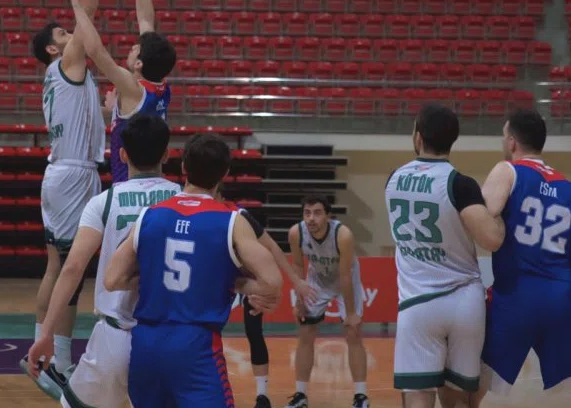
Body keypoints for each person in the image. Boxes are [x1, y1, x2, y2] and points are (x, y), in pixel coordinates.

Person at [104, 133, 285, 408]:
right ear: (224, 174)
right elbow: (272, 282)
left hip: (146, 345)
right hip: (195, 345)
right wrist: (229, 282)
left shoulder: (149, 215)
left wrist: (154, 276)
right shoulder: (231, 221)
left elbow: (112, 279)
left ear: (183, 167)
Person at [25, 114, 181, 407]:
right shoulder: (184, 199)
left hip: (117, 338)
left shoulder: (104, 202)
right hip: (172, 336)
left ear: (122, 155)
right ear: (166, 154)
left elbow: (72, 269)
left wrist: (46, 333)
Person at [471, 110, 571, 408]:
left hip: (514, 297)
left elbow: (481, 218)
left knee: (471, 392)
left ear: (512, 142)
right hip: (560, 299)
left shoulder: (508, 171)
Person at [385, 105, 504, 408]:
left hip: (418, 304)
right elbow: (492, 240)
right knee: (458, 399)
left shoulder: (393, 179)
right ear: (453, 140)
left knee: (417, 398)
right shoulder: (460, 184)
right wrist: (499, 216)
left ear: (418, 137)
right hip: (464, 303)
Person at [29, 0, 105, 385]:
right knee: (66, 269)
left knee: (62, 267)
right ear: (52, 49)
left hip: (69, 173)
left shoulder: (65, 77)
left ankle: (53, 358)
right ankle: (50, 358)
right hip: (72, 175)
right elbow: (89, 12)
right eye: (62, 33)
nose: (69, 34)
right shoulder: (67, 65)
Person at [210, 192, 315, 408]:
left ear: (218, 194)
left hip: (246, 277)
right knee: (207, 330)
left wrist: (296, 281)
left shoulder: (240, 215)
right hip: (217, 277)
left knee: (254, 331)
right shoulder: (201, 215)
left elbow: (272, 247)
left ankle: (262, 395)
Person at [101, 0, 176, 185]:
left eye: (137, 48)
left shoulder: (133, 88)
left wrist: (80, 8)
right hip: (155, 183)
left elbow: (98, 53)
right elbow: (145, 19)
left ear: (140, 63)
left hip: (128, 185)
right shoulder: (160, 84)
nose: (133, 46)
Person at [285, 195, 369, 408]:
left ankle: (361, 396)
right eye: (307, 213)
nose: (311, 218)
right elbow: (298, 266)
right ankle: (300, 395)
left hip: (344, 279)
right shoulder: (296, 233)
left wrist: (351, 314)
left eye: (317, 213)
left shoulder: (343, 235)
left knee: (353, 332)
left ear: (328, 215)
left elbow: (345, 276)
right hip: (317, 279)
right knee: (305, 331)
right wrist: (299, 301)